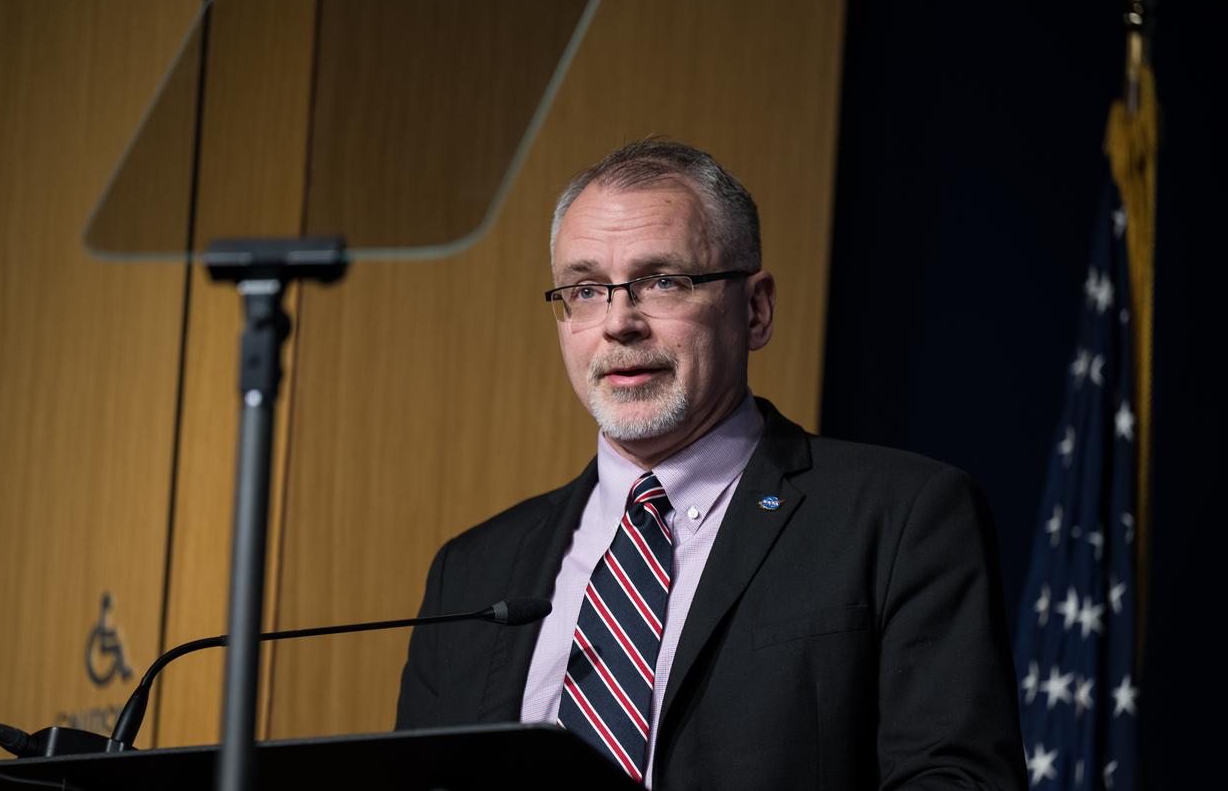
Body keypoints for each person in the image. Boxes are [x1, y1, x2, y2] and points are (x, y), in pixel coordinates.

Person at [396, 140, 1027, 790]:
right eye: (586, 289)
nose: (619, 322)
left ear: (755, 309)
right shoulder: (469, 573)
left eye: (663, 281)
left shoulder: (902, 518)